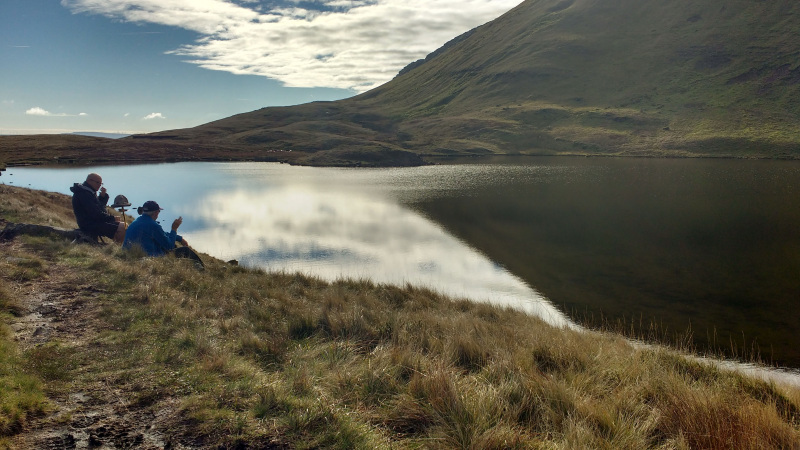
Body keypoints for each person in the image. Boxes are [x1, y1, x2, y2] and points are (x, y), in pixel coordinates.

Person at [123, 201, 203, 267]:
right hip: (149, 258)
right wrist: (174, 229)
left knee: (171, 245)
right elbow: (169, 246)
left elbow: (162, 234)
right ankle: (202, 268)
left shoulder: (136, 221)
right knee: (186, 250)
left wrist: (179, 238)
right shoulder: (153, 225)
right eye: (159, 211)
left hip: (130, 255)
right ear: (155, 213)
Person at [70, 173, 126, 243]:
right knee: (123, 227)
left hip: (93, 222)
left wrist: (102, 197)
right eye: (97, 182)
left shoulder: (88, 191)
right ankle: (118, 249)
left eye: (101, 183)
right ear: (89, 181)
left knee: (122, 225)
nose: (99, 185)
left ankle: (116, 247)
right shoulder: (84, 194)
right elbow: (95, 213)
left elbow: (98, 208)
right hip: (88, 224)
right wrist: (112, 218)